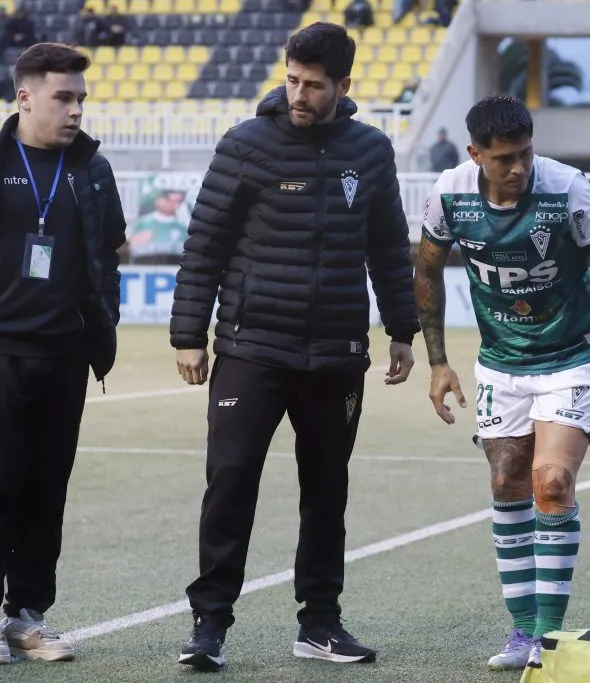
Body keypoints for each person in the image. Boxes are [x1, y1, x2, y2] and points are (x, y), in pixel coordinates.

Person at [169, 22, 420, 672]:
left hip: (337, 353)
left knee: (326, 491)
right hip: (252, 347)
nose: (299, 94)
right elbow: (205, 244)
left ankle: (320, 623)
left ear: (343, 86)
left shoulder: (369, 151)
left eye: (314, 85)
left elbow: (390, 246)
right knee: (229, 482)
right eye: (292, 80)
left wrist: (402, 328)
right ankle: (210, 624)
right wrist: (188, 334)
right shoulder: (246, 144)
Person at [413, 94, 590, 671]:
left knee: (551, 483)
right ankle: (522, 631)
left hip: (573, 355)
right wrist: (438, 361)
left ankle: (548, 643)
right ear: (475, 153)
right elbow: (426, 269)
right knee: (508, 481)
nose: (519, 167)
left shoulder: (567, 189)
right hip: (501, 362)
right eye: (505, 157)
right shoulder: (450, 193)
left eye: (526, 153)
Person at [0, 42, 126, 664]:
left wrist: (107, 321)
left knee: (46, 492)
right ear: (25, 96)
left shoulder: (91, 169)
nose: (75, 110)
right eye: (63, 97)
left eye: (80, 98)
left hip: (65, 356)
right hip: (2, 353)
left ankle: (26, 619)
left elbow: (110, 255)